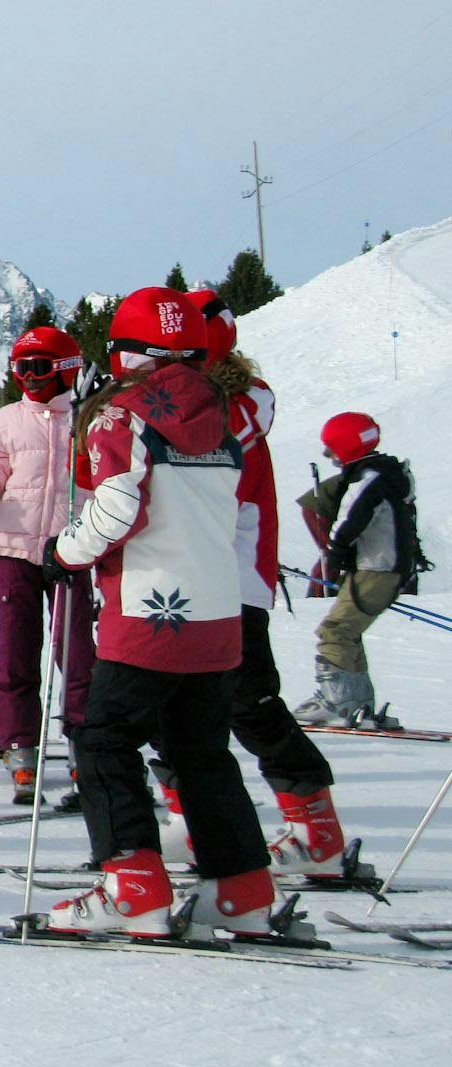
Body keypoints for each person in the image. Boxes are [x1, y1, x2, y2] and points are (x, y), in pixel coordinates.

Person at [44, 286, 277, 938]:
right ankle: (241, 890)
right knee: (201, 752)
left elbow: (119, 507)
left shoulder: (122, 414)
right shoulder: (225, 412)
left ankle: (135, 886)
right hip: (216, 614)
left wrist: (64, 551)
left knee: (104, 739)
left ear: (127, 352)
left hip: (149, 611)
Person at [146, 293, 357, 877]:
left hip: (233, 576)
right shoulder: (172, 398)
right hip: (174, 576)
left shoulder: (241, 402)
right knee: (163, 703)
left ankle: (315, 830)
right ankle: (188, 821)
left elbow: (191, 442)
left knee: (248, 702)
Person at [0, 327, 95, 801]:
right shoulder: (7, 421)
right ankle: (21, 746)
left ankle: (86, 746)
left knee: (78, 656)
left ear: (66, 369)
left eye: (39, 368)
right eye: (20, 369)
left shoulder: (89, 418)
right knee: (17, 654)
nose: (28, 378)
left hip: (73, 550)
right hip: (15, 550)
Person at [294, 410, 419, 729]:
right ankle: (357, 704)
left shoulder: (368, 479)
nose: (330, 456)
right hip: (382, 568)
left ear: (346, 446)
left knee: (335, 631)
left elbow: (351, 518)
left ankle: (336, 704)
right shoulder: (386, 473)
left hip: (376, 569)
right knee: (347, 632)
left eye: (332, 448)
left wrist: (334, 553)